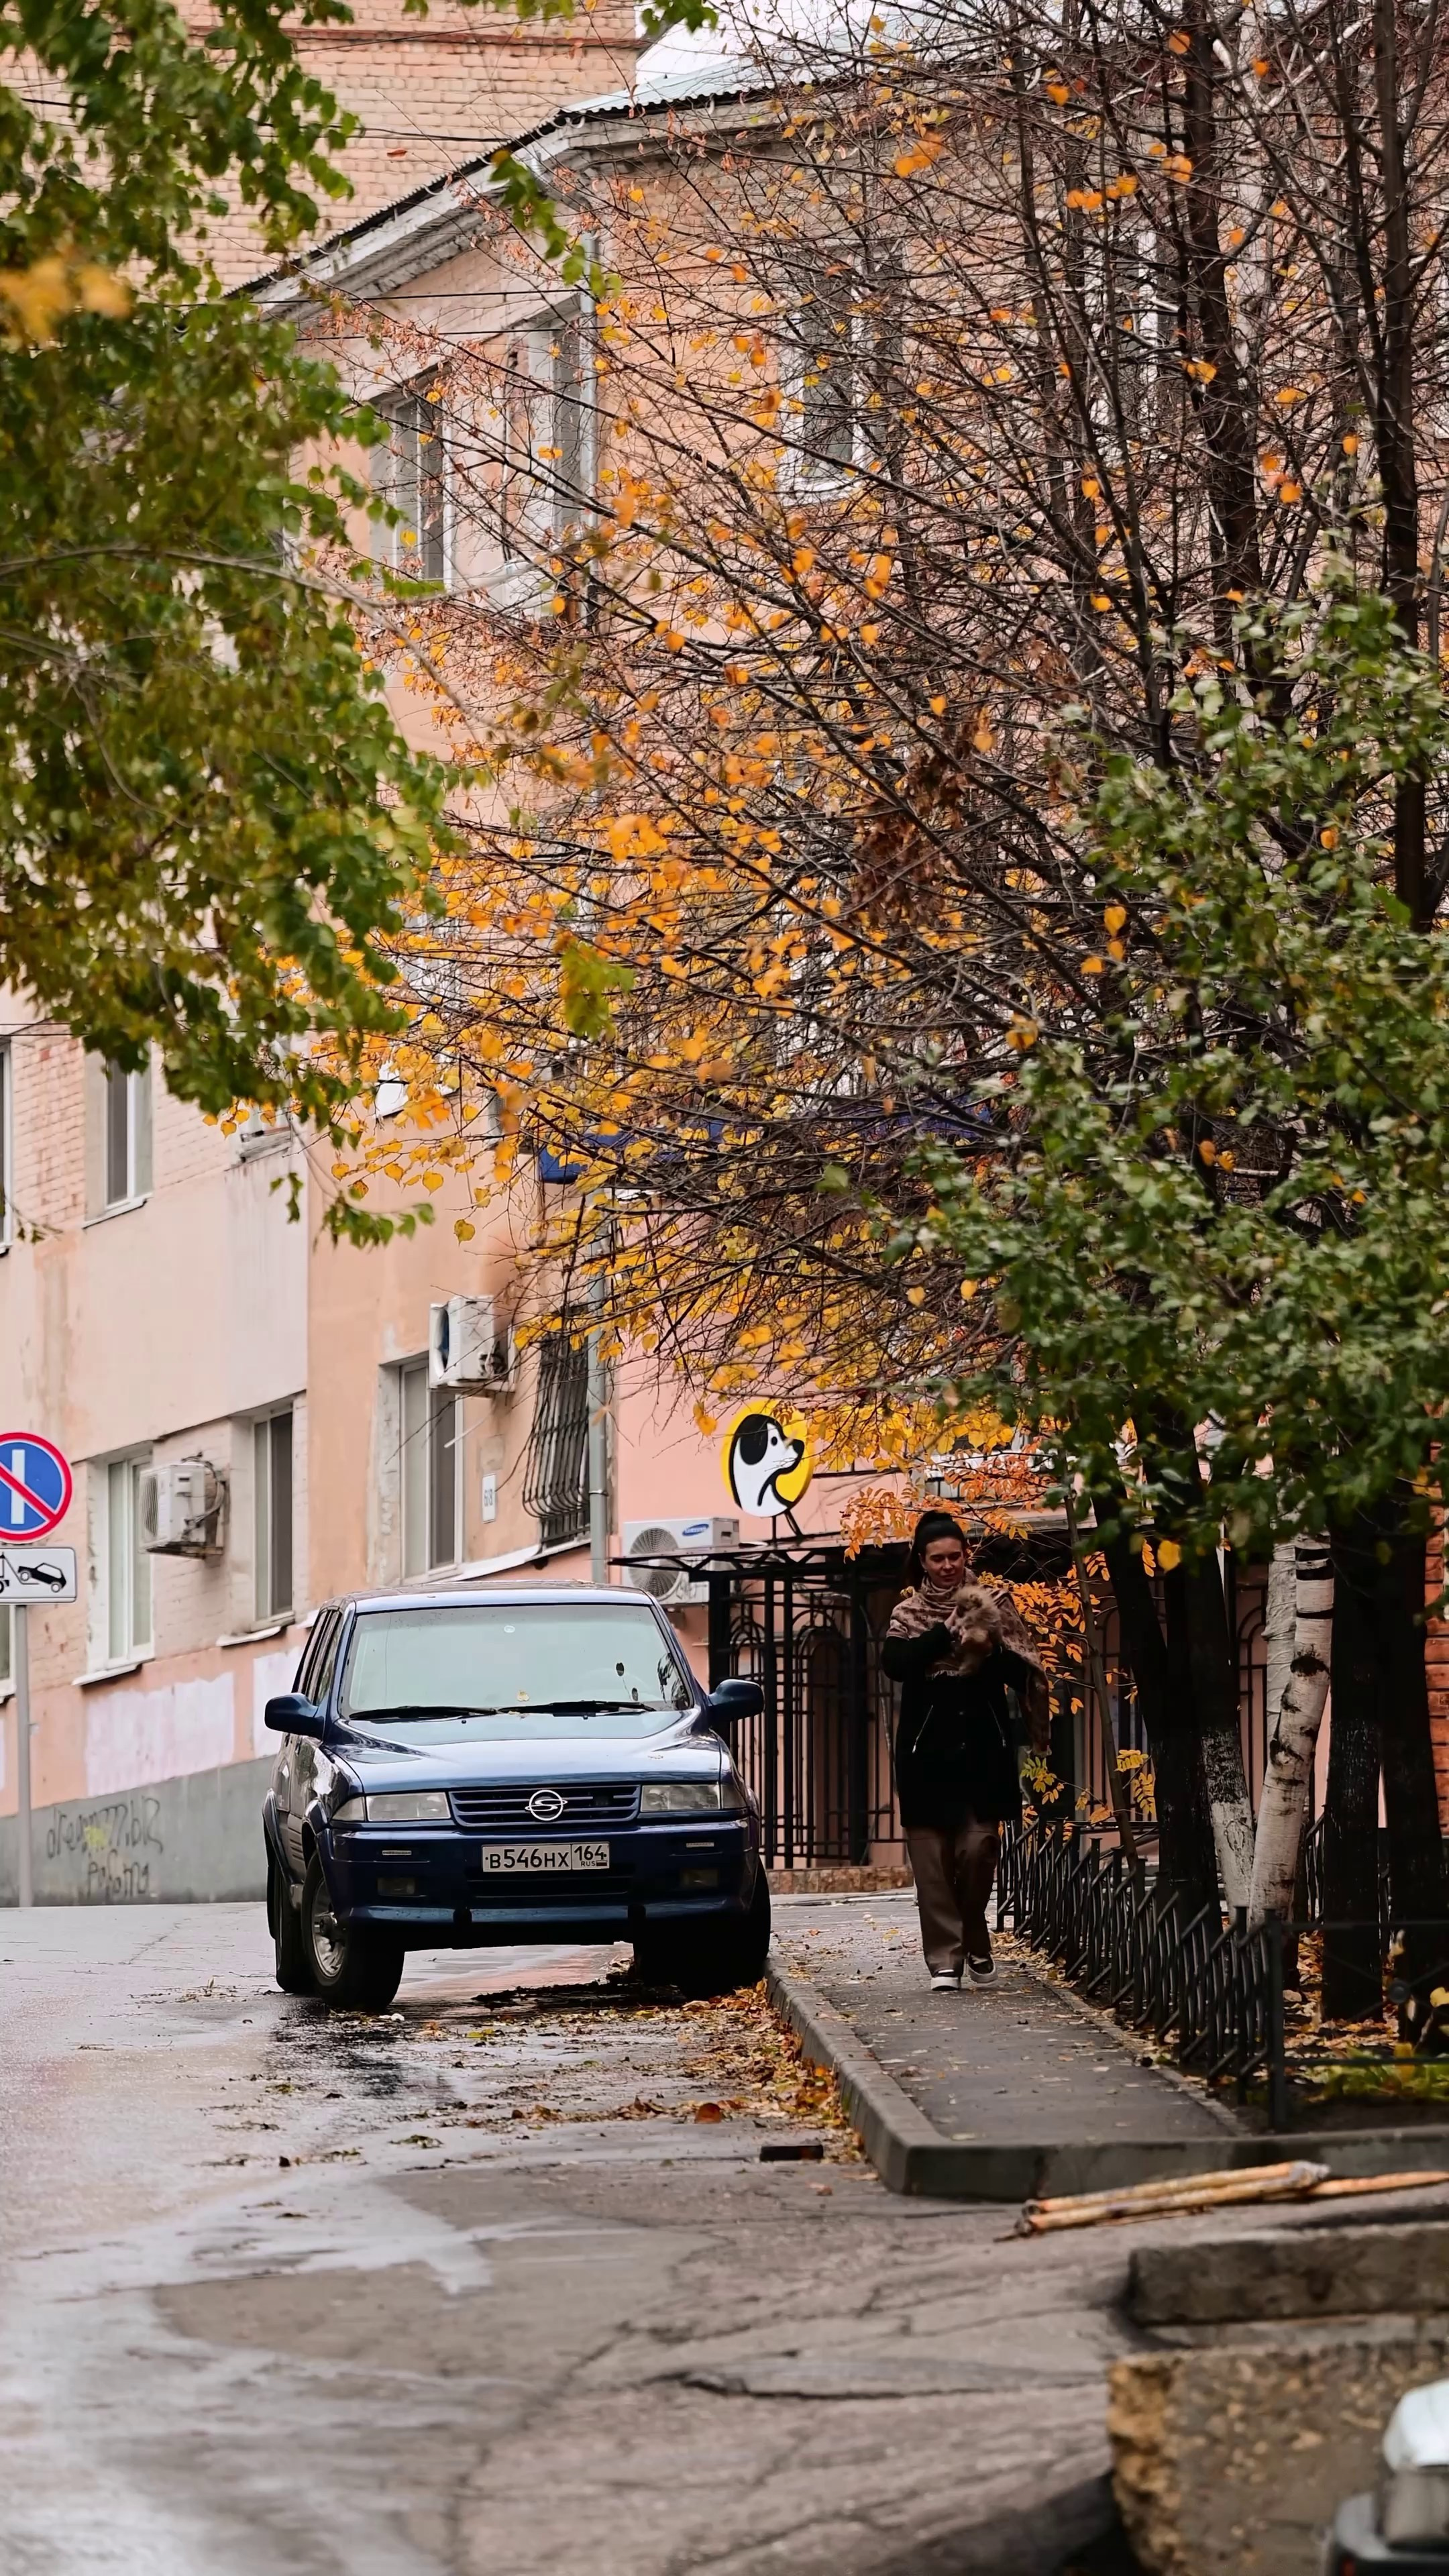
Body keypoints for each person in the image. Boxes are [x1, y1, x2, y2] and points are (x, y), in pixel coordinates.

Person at [882, 1510, 1049, 1992]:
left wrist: (991, 1648)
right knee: (932, 1868)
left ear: (966, 1556)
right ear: (923, 1562)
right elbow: (897, 1664)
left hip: (982, 1751)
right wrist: (947, 1632)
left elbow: (1025, 1672)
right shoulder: (907, 1614)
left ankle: (974, 1933)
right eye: (938, 1559)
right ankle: (945, 1962)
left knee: (979, 1851)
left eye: (956, 1556)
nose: (949, 1566)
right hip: (924, 1754)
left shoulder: (995, 1604)